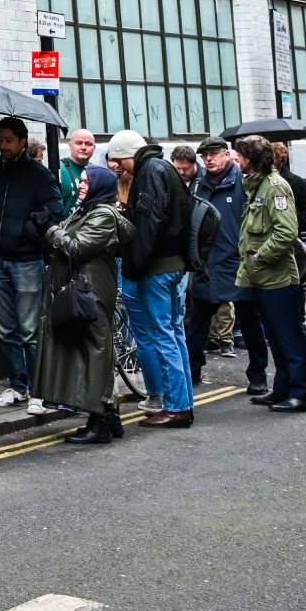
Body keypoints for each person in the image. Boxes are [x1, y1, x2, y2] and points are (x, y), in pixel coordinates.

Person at [102, 129, 196, 428]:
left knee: (161, 336)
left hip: (157, 268)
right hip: (172, 265)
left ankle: (177, 407)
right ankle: (183, 402)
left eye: (119, 160)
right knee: (174, 333)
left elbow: (149, 225)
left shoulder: (150, 171)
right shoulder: (163, 168)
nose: (118, 167)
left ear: (130, 154)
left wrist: (134, 266)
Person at [36, 165, 133, 445]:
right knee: (91, 352)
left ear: (100, 186)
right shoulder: (86, 210)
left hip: (92, 293)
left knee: (95, 353)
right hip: (85, 290)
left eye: (86, 181)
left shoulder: (102, 215)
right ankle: (110, 417)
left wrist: (50, 230)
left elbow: (76, 247)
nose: (80, 184)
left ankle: (99, 423)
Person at [0, 116, 66, 413]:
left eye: (9, 140)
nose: (3, 146)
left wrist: (25, 232)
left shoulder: (38, 174)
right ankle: (18, 386)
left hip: (27, 261)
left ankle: (39, 390)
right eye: (0, 140)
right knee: (6, 330)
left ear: (23, 141)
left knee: (29, 330)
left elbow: (54, 213)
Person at [233, 136, 306, 413]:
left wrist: (260, 256)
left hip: (277, 278)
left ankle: (301, 391)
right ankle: (283, 389)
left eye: (239, 155)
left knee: (289, 336)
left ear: (249, 159)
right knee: (275, 337)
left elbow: (287, 232)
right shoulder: (256, 185)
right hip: (262, 278)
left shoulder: (275, 187)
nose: (235, 158)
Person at [188, 136, 261, 392]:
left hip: (238, 264)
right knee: (197, 325)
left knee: (250, 323)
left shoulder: (242, 181)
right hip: (208, 265)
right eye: (205, 155)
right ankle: (192, 371)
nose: (209, 158)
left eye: (215, 153)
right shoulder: (198, 184)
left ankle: (258, 376)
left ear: (226, 154)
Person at [57, 127, 97, 201]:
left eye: (88, 144)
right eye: (79, 143)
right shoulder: (58, 169)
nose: (83, 147)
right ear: (70, 145)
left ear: (94, 148)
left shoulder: (96, 172)